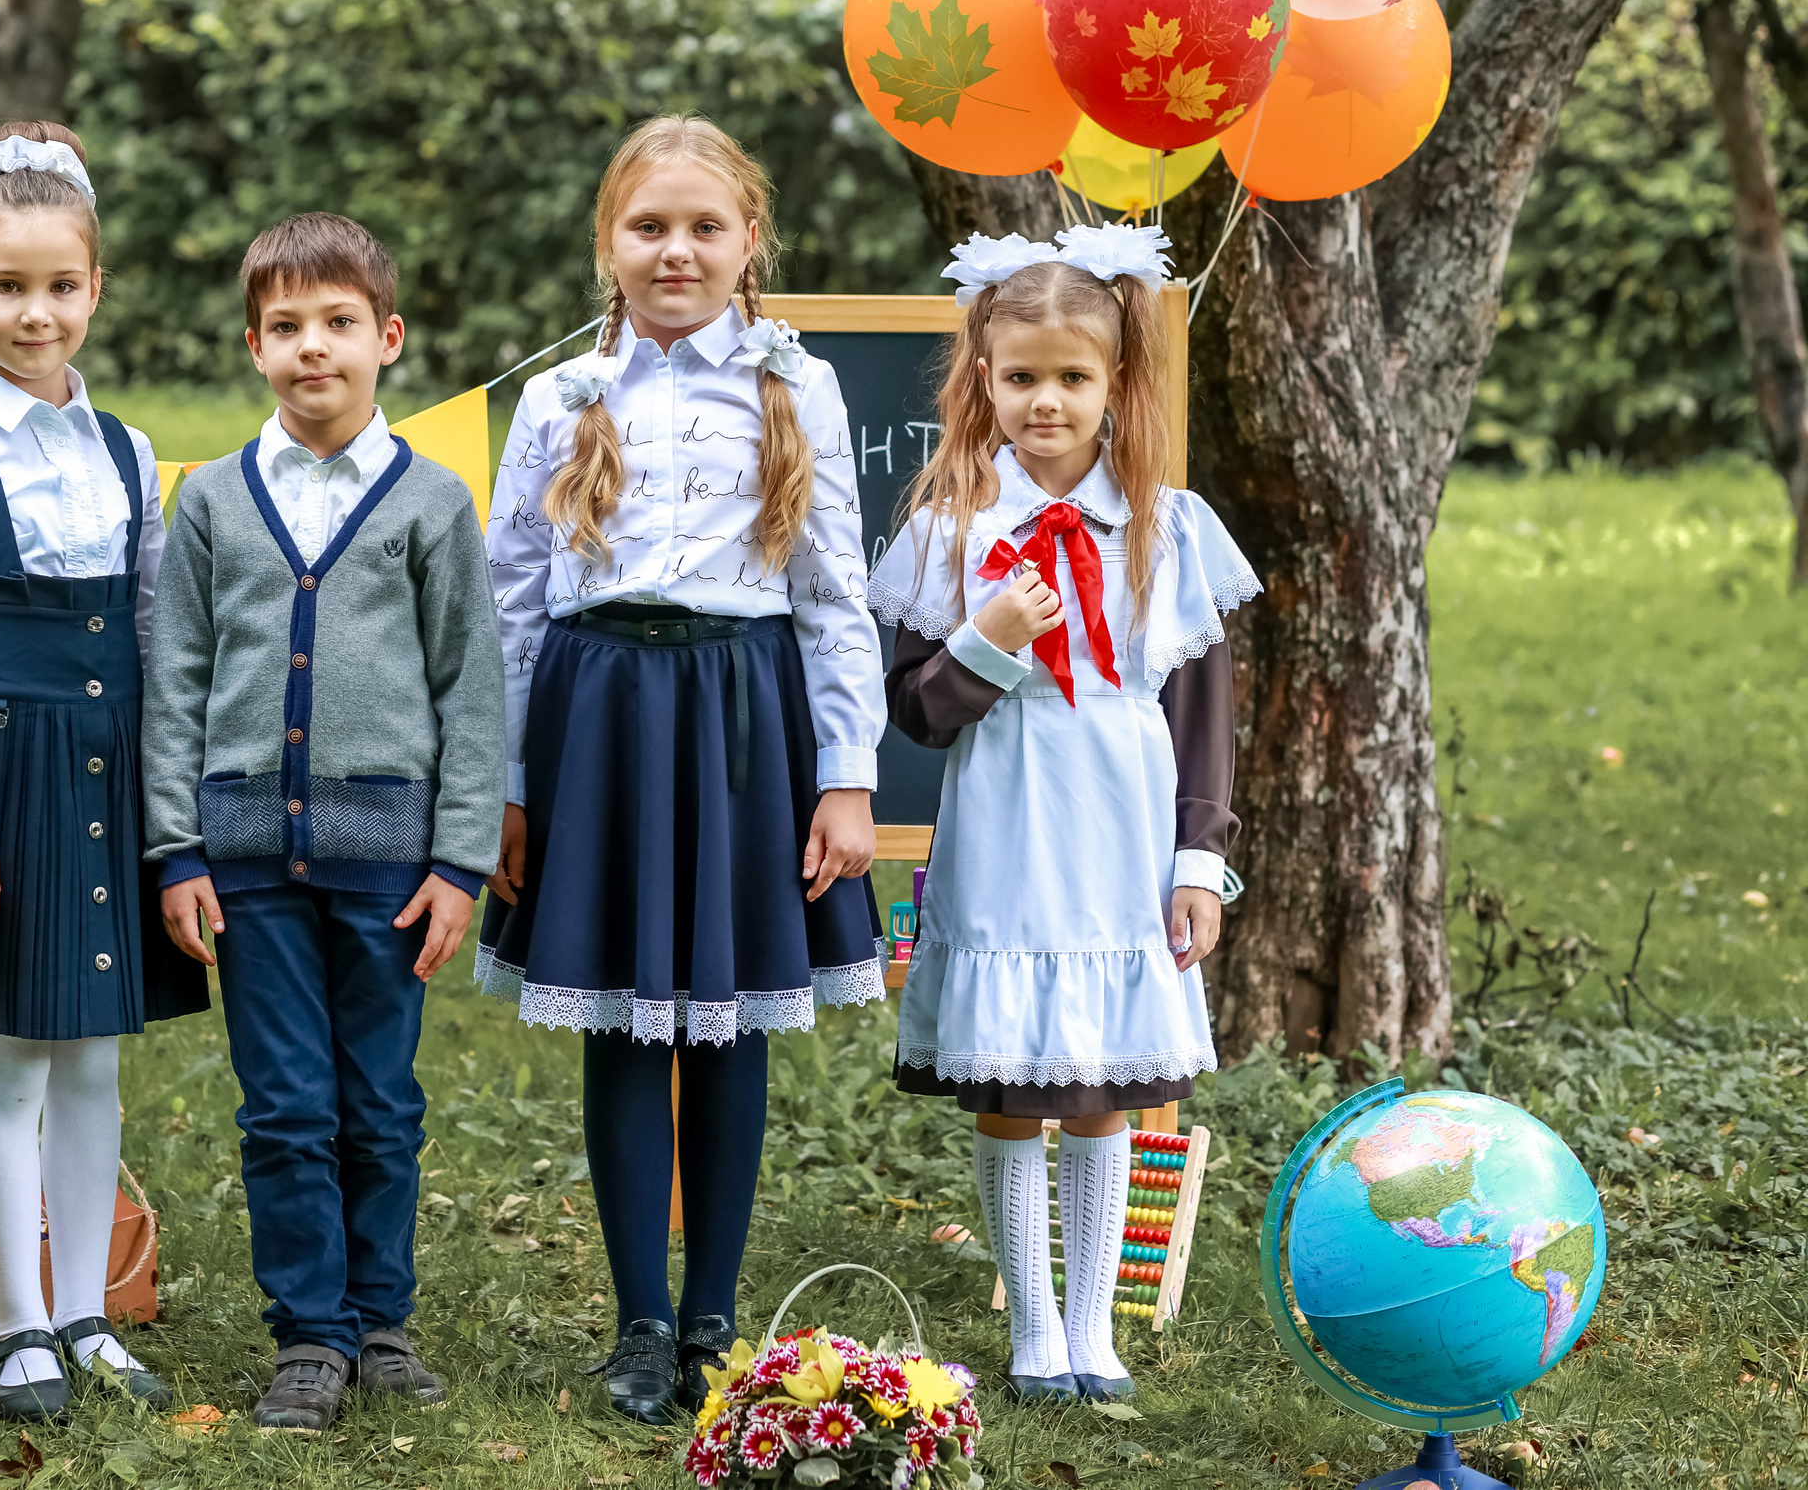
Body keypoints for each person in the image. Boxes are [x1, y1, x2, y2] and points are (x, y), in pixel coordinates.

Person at [475, 114, 887, 1425]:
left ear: (748, 241)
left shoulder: (793, 385)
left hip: (739, 722)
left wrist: (848, 773)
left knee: (724, 1016)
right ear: (609, 242)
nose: (676, 249)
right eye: (649, 225)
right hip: (596, 722)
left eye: (704, 226)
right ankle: (639, 1319)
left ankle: (713, 1313)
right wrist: (506, 787)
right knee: (617, 1014)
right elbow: (513, 607)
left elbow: (833, 595)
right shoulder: (559, 399)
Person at [865, 225, 1259, 1404]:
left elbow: (1200, 713)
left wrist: (1200, 857)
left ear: (1115, 385)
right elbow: (919, 718)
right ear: (982, 373)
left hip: (1124, 825)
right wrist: (986, 645)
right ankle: (1033, 1326)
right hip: (1009, 821)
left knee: (1105, 1088)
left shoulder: (1162, 527)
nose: (1046, 401)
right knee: (1014, 1089)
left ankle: (1095, 1327)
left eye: (1072, 378)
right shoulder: (947, 530)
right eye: (1022, 375)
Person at [145, 212, 506, 1433]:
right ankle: (308, 1335)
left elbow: (471, 687)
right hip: (244, 860)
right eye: (287, 327)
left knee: (380, 1099)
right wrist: (175, 848)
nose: (314, 348)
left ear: (386, 338)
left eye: (338, 324)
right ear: (254, 344)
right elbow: (175, 680)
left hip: (387, 863)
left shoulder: (432, 503)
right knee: (285, 1104)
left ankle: (382, 1319)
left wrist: (459, 860)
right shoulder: (210, 504)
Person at [0, 121, 208, 1424]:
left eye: (61, 285)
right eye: (7, 285)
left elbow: (158, 633)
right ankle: (17, 1320)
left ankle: (85, 1307)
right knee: (14, 1051)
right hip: (1, 785)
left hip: (108, 770)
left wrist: (169, 816)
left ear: (95, 290)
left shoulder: (127, 454)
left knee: (97, 1056)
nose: (36, 311)